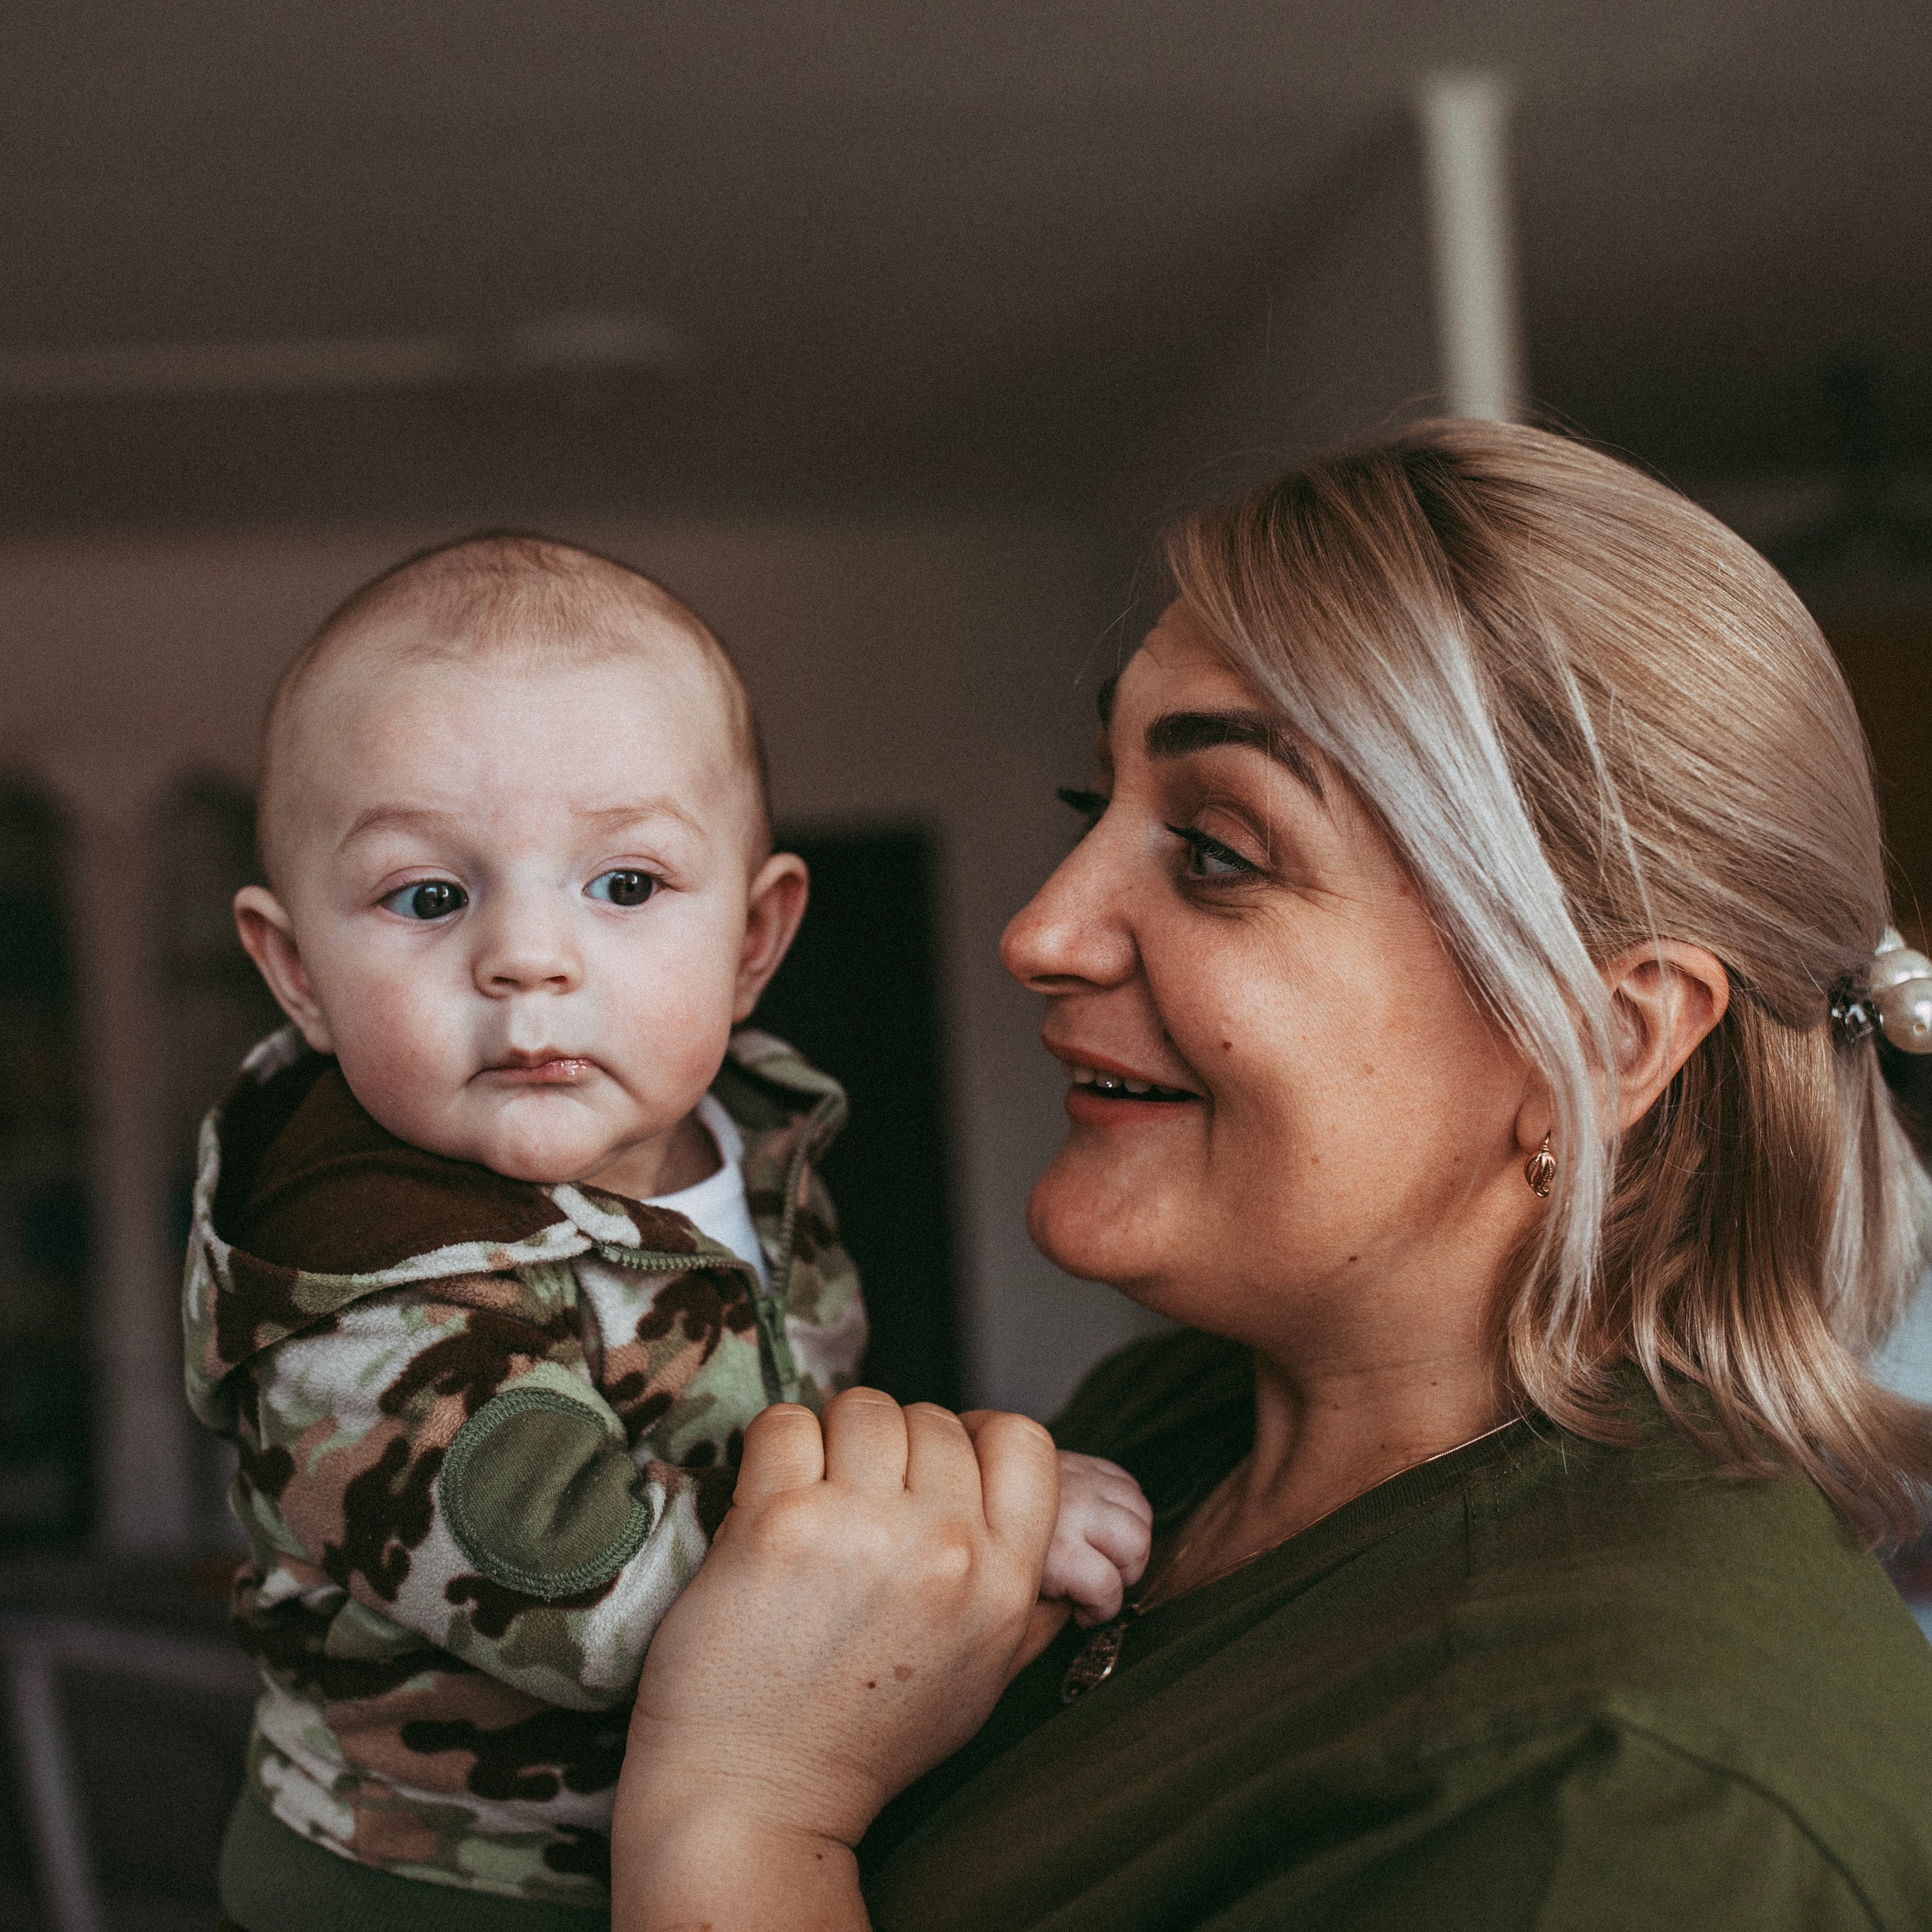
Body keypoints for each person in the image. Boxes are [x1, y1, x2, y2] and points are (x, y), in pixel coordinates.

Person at [606, 421, 1932, 1931]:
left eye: (1220, 849)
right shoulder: (1167, 1439)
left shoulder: (1616, 1781)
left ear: (1596, 1035)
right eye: (1085, 808)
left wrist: (739, 1799)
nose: (1040, 928)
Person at [180, 534, 1153, 1931]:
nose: (529, 955)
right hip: (445, 1881)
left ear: (754, 943)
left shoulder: (746, 1144)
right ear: (297, 976)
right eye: (428, 896)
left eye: (624, 885)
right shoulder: (373, 1290)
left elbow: (771, 1416)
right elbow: (599, 1600)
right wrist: (979, 1534)